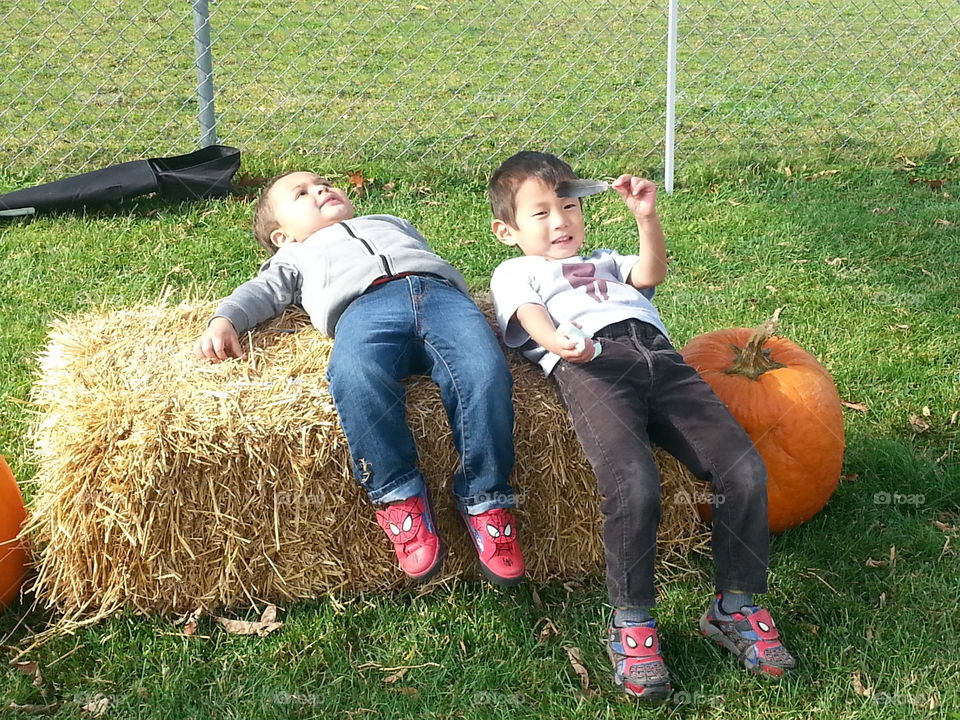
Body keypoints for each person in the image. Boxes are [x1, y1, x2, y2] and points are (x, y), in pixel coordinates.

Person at [487, 151, 795, 702]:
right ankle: (632, 622)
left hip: (664, 362)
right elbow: (528, 312)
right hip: (594, 367)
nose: (561, 221)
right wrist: (557, 341)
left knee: (743, 470)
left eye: (569, 206)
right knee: (634, 483)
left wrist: (646, 217)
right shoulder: (516, 270)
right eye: (541, 213)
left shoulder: (606, 260)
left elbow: (651, 273)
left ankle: (735, 606)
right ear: (506, 231)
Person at [195, 171, 525, 587]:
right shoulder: (295, 256)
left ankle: (487, 499)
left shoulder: (388, 222)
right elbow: (262, 291)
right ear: (283, 236)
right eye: (302, 194)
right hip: (363, 310)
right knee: (354, 375)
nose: (321, 189)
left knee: (484, 370)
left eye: (323, 183)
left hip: (440, 297)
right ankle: (399, 496)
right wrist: (225, 319)